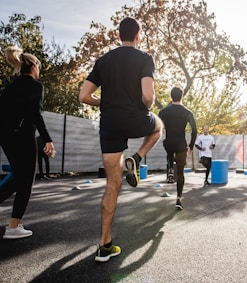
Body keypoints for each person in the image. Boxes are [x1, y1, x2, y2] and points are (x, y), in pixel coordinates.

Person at [79, 17, 163, 262]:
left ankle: (104, 245)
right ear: (138, 37)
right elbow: (148, 97)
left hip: (110, 125)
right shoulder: (145, 58)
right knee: (158, 126)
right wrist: (148, 103)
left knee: (111, 186)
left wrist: (104, 102)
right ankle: (137, 158)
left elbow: (84, 96)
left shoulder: (104, 61)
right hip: (136, 119)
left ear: (118, 36)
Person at [0, 46, 55, 240]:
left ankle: (14, 223)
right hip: (23, 135)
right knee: (26, 181)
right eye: (38, 67)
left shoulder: (11, 86)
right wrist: (47, 139)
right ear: (33, 66)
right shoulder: (35, 86)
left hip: (5, 136)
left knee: (17, 177)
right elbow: (35, 114)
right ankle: (14, 226)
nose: (38, 71)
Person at [158, 87, 197, 210]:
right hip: (181, 144)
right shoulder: (188, 113)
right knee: (180, 172)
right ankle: (179, 199)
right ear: (182, 96)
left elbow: (158, 125)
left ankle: (170, 168)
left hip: (168, 142)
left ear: (171, 96)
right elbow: (195, 130)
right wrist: (191, 146)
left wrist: (162, 130)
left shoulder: (164, 111)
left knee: (169, 153)